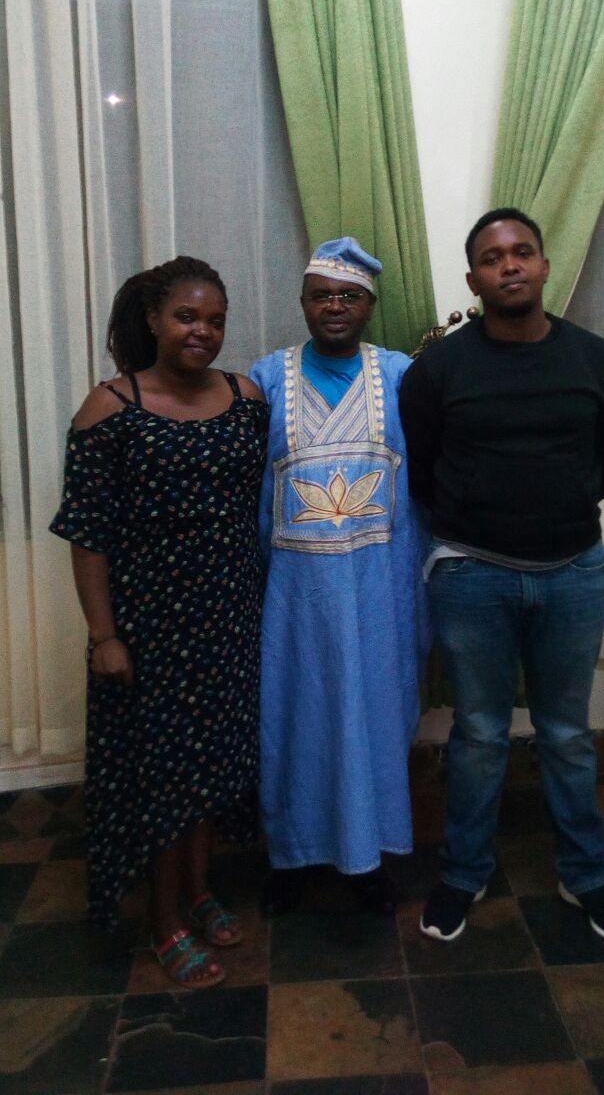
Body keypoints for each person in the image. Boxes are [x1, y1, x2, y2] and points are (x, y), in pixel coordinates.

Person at [399, 207, 604, 944]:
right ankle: (463, 874)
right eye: (493, 257)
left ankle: (586, 874)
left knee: (566, 733)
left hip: (574, 573)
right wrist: (481, 522)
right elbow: (423, 471)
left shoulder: (597, 360)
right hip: (473, 575)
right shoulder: (439, 369)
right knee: (478, 733)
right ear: (473, 280)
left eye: (522, 252)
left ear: (543, 266)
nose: (510, 265)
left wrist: (555, 508)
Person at [49, 256, 268, 988]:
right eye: (186, 316)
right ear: (153, 319)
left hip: (231, 618)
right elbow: (88, 532)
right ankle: (164, 917)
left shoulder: (247, 397)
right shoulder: (109, 407)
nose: (201, 331)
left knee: (211, 769)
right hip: (148, 629)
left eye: (214, 320)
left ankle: (201, 893)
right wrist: (104, 635)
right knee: (163, 779)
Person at [250, 237, 431, 915]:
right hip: (294, 602)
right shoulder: (266, 379)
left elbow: (433, 478)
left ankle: (371, 859)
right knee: (295, 720)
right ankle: (292, 858)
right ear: (301, 303)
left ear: (369, 305)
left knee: (377, 721)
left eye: (348, 295)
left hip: (380, 594)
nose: (334, 306)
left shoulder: (402, 376)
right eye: (321, 294)